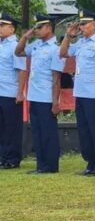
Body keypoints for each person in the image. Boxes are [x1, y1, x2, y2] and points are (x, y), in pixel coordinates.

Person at [59, 9, 95, 176]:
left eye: (84, 24)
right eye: (80, 24)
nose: (81, 27)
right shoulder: (81, 43)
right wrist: (68, 36)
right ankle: (90, 163)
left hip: (94, 93)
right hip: (81, 92)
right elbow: (63, 53)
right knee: (84, 130)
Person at [15, 14, 65, 174]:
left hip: (46, 97)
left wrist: (55, 102)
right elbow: (19, 51)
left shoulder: (56, 49)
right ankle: (41, 165)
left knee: (48, 132)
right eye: (35, 27)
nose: (36, 30)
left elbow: (56, 78)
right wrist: (25, 36)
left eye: (39, 27)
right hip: (34, 96)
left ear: (49, 28)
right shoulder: (36, 45)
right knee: (37, 132)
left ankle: (50, 166)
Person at [0, 13, 27, 170]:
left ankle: (12, 158)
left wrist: (20, 92)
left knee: (11, 127)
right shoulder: (1, 44)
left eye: (3, 26)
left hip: (10, 92)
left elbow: (22, 70)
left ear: (12, 28)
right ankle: (3, 156)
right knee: (2, 127)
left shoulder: (15, 46)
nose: (0, 28)